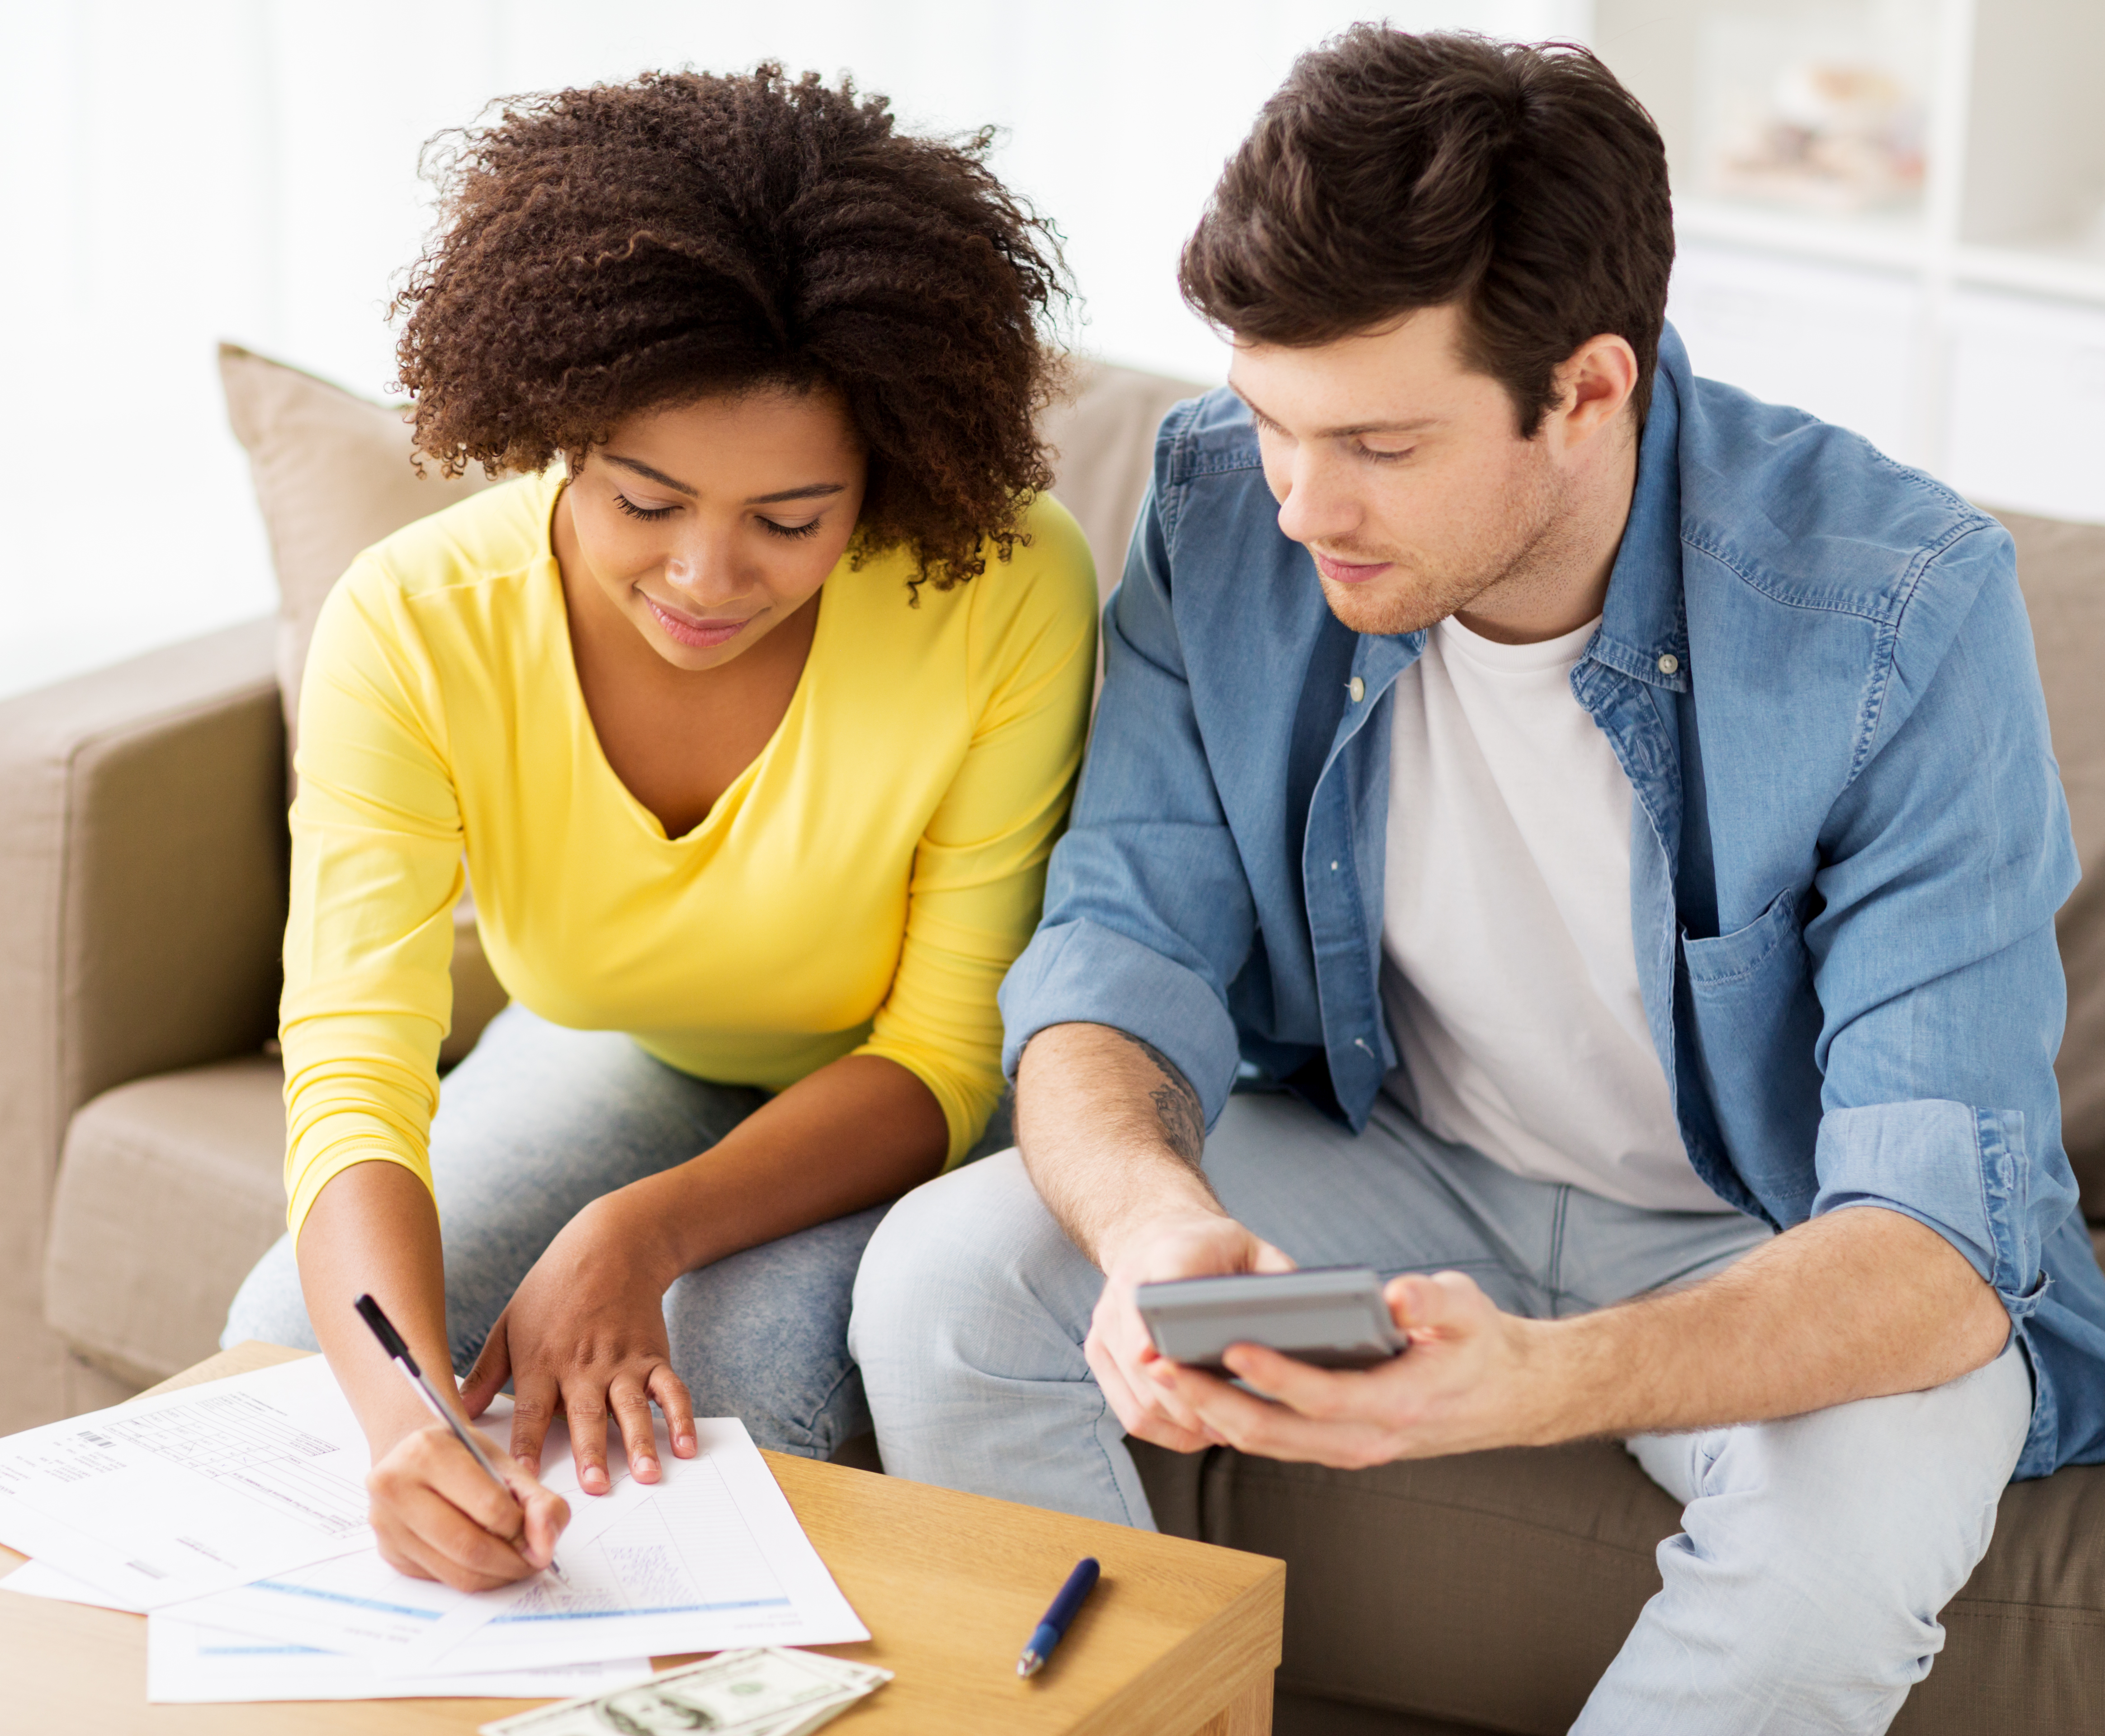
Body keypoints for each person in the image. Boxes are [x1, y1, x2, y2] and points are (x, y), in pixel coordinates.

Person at [849, 27, 2105, 1732]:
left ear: (1591, 389)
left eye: (1377, 443)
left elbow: (1943, 1237)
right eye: (1270, 418)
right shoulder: (1220, 510)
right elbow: (1110, 961)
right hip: (1408, 1178)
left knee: (1842, 1538)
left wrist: (1537, 1384)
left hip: (1773, 1239)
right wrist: (1155, 1230)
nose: (1300, 503)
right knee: (950, 1279)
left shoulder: (1897, 605)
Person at [221, 64, 1096, 1596]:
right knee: (300, 1363)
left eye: (790, 520)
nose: (706, 577)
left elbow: (949, 1057)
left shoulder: (1003, 587)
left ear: (881, 475)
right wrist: (408, 1423)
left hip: (904, 1105)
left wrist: (640, 1231)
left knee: (727, 1386)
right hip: (633, 1050)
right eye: (645, 500)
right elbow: (355, 1064)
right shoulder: (418, 627)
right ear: (556, 427)